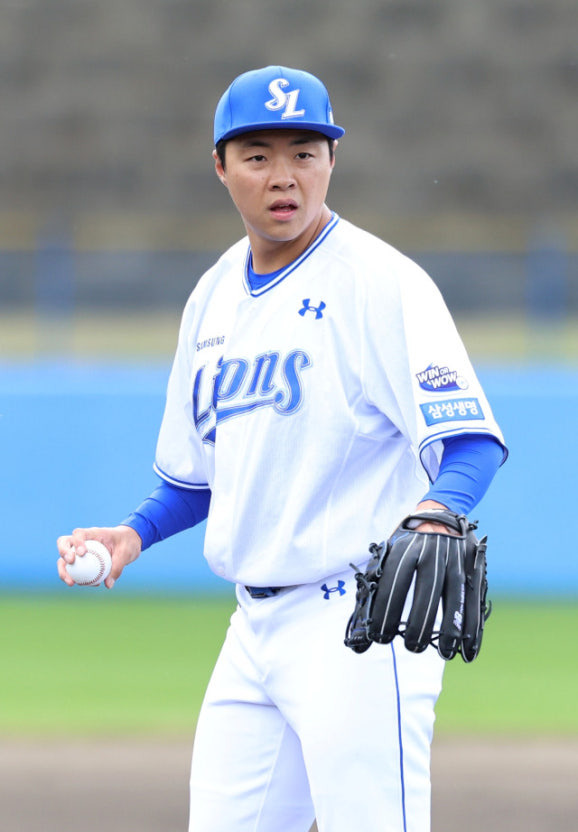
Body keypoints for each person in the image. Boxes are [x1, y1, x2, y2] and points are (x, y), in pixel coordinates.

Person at [57, 66, 507, 832]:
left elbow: (470, 442)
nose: (284, 176)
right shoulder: (211, 297)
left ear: (333, 159)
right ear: (220, 166)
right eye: (258, 155)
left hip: (358, 623)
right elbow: (199, 478)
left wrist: (437, 510)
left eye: (304, 152)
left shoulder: (380, 282)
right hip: (251, 631)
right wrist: (134, 533)